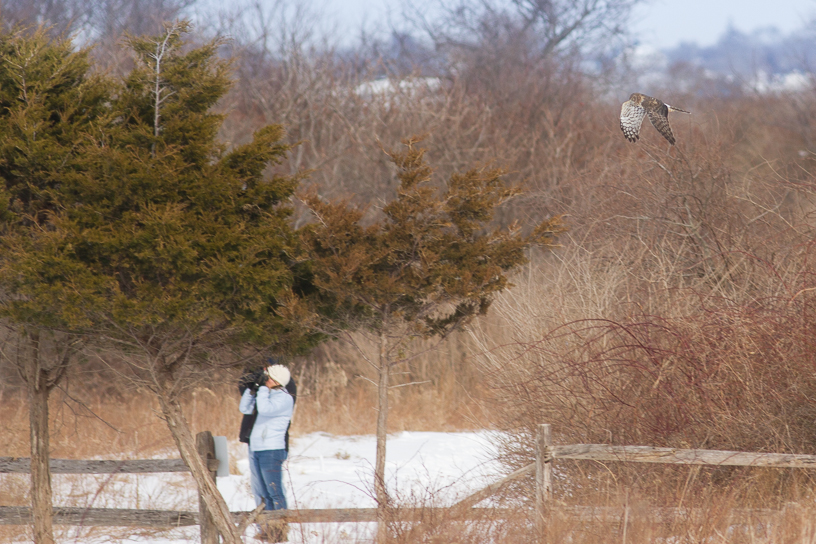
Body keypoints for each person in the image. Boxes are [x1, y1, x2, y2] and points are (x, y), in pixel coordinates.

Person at [239, 363, 295, 542]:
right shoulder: (266, 395)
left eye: (268, 378)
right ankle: (269, 530)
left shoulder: (285, 398)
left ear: (277, 380)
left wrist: (262, 389)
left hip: (271, 450)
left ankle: (280, 530)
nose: (265, 380)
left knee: (274, 491)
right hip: (257, 448)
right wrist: (252, 390)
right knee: (264, 493)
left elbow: (264, 409)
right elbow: (245, 409)